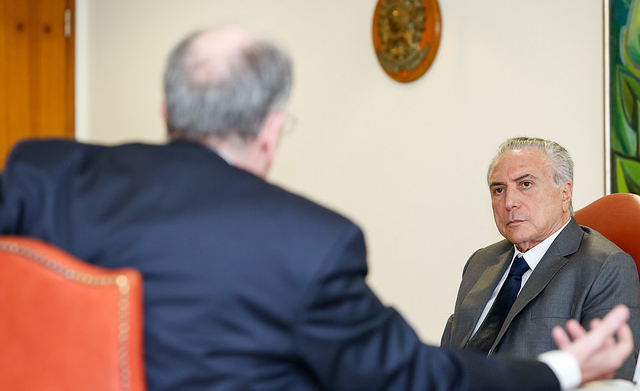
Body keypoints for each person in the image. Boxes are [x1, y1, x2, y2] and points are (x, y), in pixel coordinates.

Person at [0, 26, 633, 390]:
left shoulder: (41, 174)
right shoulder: (311, 242)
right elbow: (410, 379)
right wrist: (563, 369)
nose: (510, 202)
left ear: (169, 114)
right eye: (500, 187)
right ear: (271, 131)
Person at [441, 136, 640, 379]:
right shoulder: (481, 262)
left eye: (525, 184)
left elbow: (611, 379)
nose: (509, 202)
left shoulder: (605, 267)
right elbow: (446, 358)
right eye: (498, 190)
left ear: (565, 193)